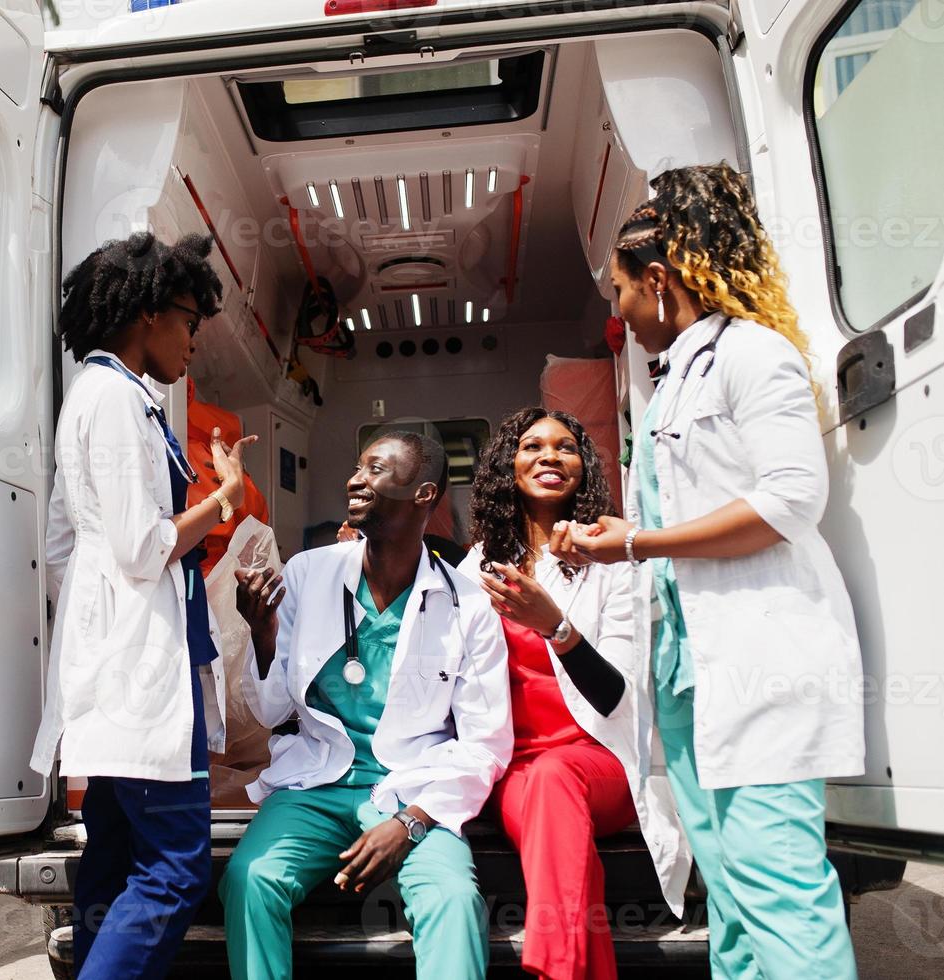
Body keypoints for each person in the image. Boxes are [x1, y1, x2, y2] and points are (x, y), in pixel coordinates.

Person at [562, 163, 864, 979]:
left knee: (777, 891)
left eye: (621, 293)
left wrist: (633, 544)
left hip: (760, 664)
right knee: (729, 905)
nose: (618, 314)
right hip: (692, 677)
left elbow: (790, 501)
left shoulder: (752, 355)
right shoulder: (670, 387)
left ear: (659, 282)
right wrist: (619, 540)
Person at [29, 231, 257, 980]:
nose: (194, 339)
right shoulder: (121, 402)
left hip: (111, 663)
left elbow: (66, 546)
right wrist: (222, 500)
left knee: (112, 858)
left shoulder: (91, 398)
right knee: (176, 867)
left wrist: (101, 620)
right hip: (136, 673)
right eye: (190, 320)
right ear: (148, 314)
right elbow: (139, 546)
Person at [224, 432, 512, 980]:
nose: (356, 479)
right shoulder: (310, 573)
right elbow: (270, 712)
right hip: (318, 781)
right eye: (359, 467)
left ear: (424, 494)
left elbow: (486, 745)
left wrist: (410, 823)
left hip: (416, 790)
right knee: (250, 879)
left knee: (451, 899)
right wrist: (262, 632)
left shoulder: (468, 604)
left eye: (377, 470)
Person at [461, 407, 690, 980]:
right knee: (547, 789)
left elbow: (615, 694)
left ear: (582, 468)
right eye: (532, 446)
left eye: (565, 448)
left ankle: (556, 968)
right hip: (514, 774)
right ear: (507, 466)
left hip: (600, 760)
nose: (549, 457)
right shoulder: (476, 570)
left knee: (558, 777)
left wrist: (556, 627)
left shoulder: (609, 559)